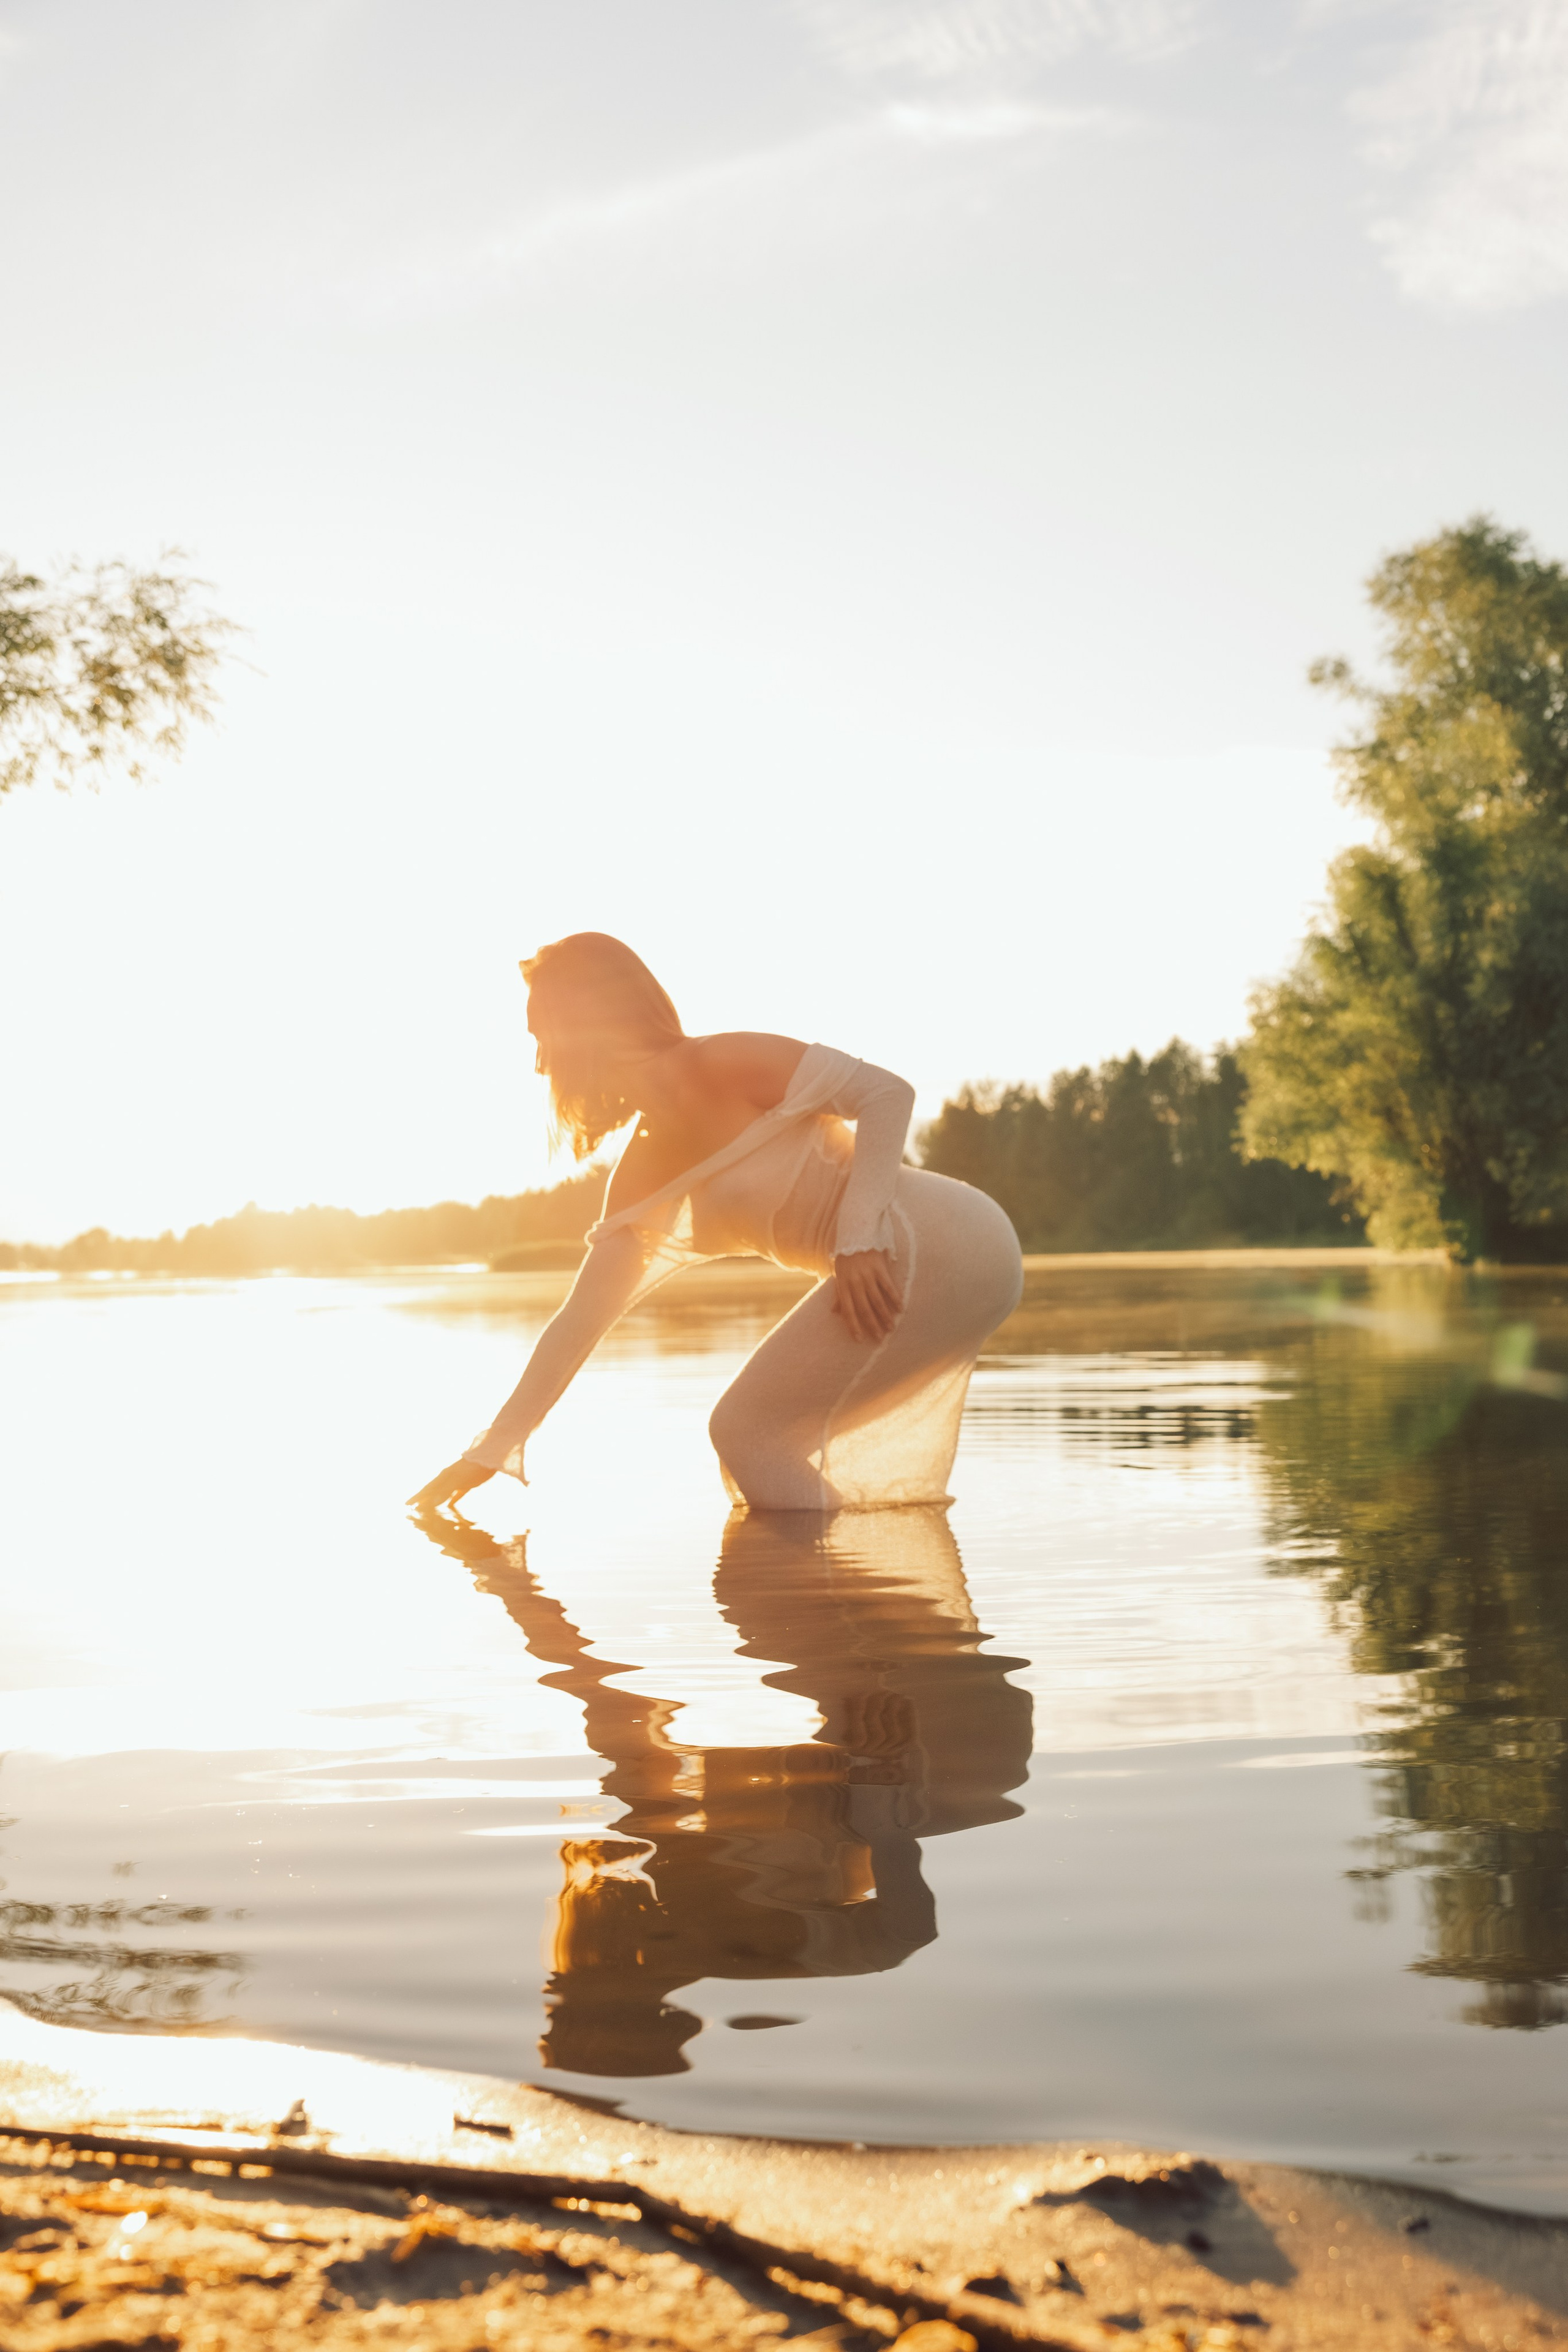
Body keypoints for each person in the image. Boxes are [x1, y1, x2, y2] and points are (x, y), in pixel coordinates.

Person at [409, 933, 1022, 1514]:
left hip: (941, 1239)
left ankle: (841, 1601)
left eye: (541, 1038)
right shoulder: (645, 1171)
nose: (541, 1067)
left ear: (582, 1024)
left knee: (746, 1431)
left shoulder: (724, 1059)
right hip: (918, 1262)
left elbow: (887, 1095)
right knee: (753, 1434)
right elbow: (579, 1321)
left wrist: (858, 1237)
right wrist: (490, 1450)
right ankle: (853, 1601)